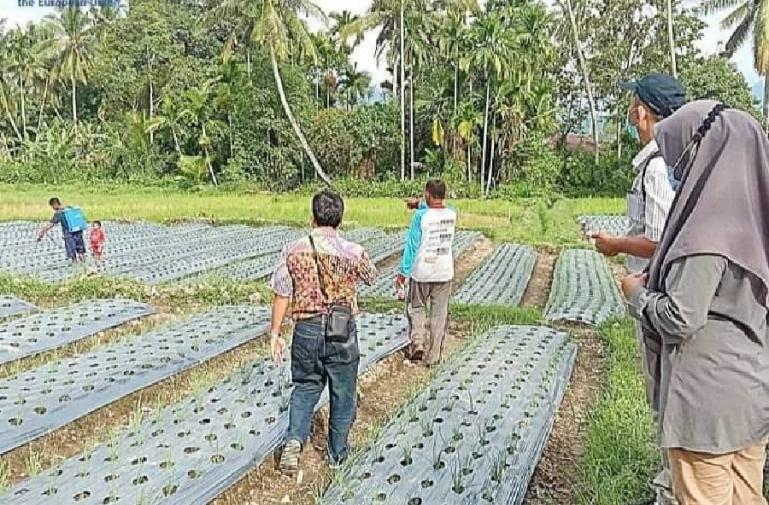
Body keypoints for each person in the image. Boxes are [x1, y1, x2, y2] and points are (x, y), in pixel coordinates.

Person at [622, 100, 769, 505]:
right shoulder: (756, 225)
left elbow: (680, 319)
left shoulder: (705, 235)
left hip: (705, 408)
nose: (676, 173)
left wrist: (637, 295)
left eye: (679, 161)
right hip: (751, 399)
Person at [593, 74, 685, 505]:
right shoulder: (662, 162)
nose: (632, 114)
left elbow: (662, 239)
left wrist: (616, 244)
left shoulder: (658, 168)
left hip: (656, 296)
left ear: (644, 112)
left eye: (634, 106)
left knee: (666, 395)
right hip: (655, 295)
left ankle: (671, 490)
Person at [269, 190, 377, 476]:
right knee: (343, 392)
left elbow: (281, 292)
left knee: (305, 387)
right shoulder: (352, 251)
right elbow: (372, 276)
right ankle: (338, 453)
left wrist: (275, 334)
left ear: (312, 217)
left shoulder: (293, 250)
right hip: (341, 329)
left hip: (306, 328)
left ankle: (294, 441)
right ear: (340, 219)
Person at [396, 179, 457, 366]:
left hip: (422, 271)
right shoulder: (451, 214)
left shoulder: (420, 218)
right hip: (444, 271)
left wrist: (402, 274)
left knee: (417, 307)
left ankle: (417, 344)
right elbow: (435, 208)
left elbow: (411, 247)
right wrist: (418, 204)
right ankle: (434, 356)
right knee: (439, 314)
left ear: (428, 194)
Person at [37, 197, 86, 264]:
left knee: (72, 254)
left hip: (69, 234)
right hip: (78, 232)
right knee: (81, 252)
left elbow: (51, 224)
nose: (53, 208)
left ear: (54, 204)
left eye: (52, 206)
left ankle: (76, 267)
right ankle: (84, 265)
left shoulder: (59, 213)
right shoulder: (69, 208)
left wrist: (42, 232)